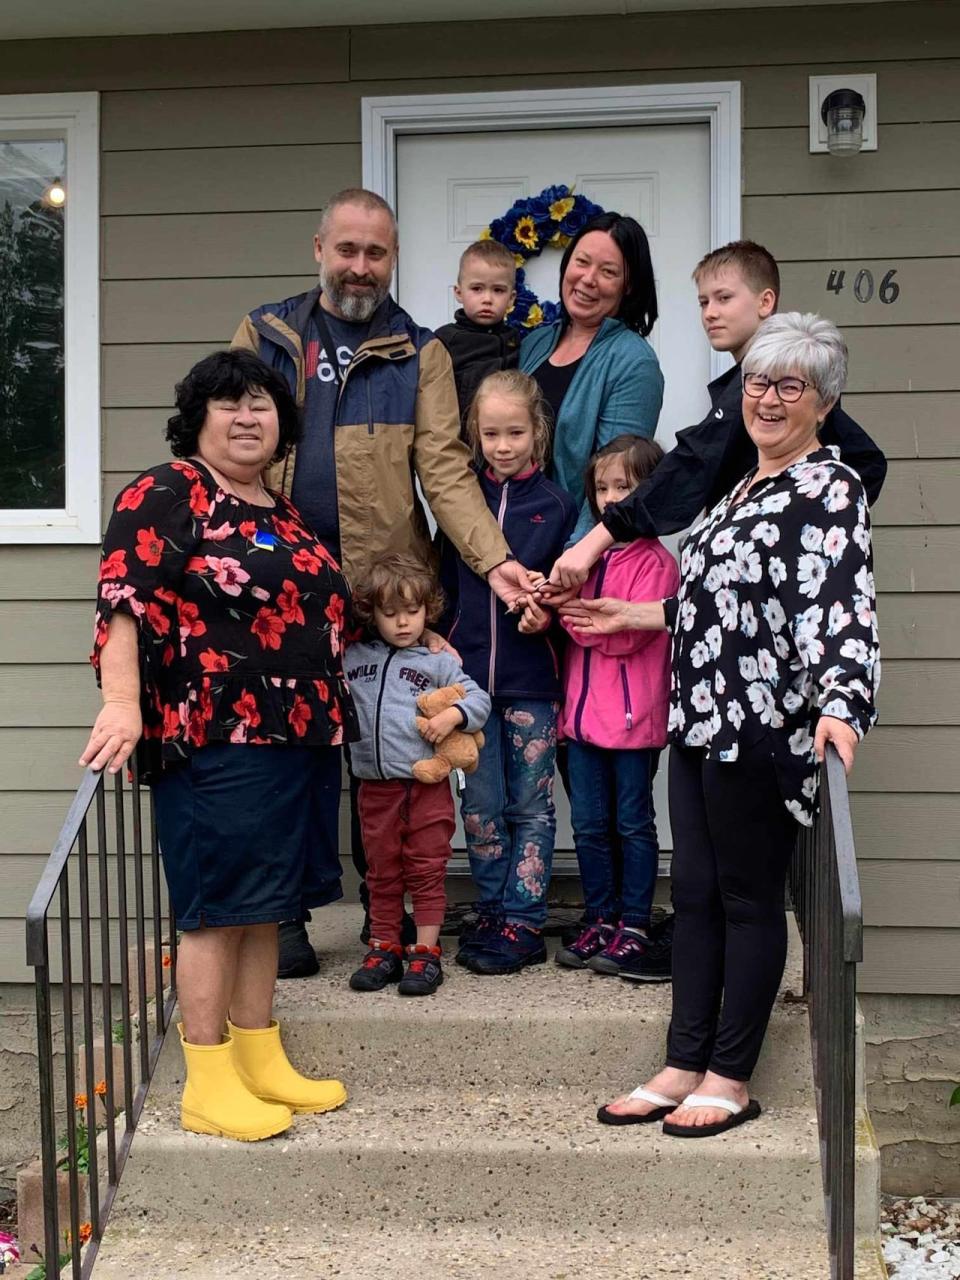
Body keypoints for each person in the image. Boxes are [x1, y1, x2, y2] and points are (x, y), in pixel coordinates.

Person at [563, 314, 880, 1137]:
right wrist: (630, 610)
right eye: (757, 383)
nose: (767, 399)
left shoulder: (829, 486)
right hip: (698, 720)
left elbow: (838, 603)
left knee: (746, 900)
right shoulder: (739, 484)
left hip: (764, 726)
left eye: (790, 385)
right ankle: (682, 1062)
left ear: (823, 401)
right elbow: (717, 602)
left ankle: (729, 1074)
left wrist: (843, 702)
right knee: (695, 897)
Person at [232, 188, 533, 976]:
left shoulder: (419, 350)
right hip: (283, 593)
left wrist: (496, 562)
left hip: (384, 597)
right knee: (289, 756)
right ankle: (283, 916)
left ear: (392, 259)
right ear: (319, 248)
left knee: (389, 755)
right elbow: (229, 450)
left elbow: (444, 467)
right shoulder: (267, 334)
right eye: (348, 250)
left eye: (376, 253)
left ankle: (387, 921)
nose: (360, 267)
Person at [80, 350, 356, 1143]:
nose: (248, 416)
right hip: (213, 735)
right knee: (215, 910)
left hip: (294, 736)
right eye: (229, 403)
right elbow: (125, 601)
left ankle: (259, 1057)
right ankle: (206, 1078)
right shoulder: (169, 490)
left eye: (264, 404)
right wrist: (124, 703)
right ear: (198, 416)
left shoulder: (278, 508)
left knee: (263, 907)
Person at [548, 240, 887, 591]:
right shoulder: (746, 385)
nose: (709, 313)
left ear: (765, 302)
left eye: (724, 298)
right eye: (703, 302)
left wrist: (598, 536)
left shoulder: (784, 379)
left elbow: (694, 461)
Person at [437, 371, 578, 975]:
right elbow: (444, 589)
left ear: (537, 431)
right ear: (474, 434)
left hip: (532, 685)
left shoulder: (556, 505)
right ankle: (491, 908)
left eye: (515, 432)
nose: (502, 445)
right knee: (480, 803)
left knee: (532, 806)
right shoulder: (457, 504)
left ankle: (523, 918)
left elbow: (566, 595)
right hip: (470, 688)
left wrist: (542, 615)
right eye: (490, 433)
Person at [553, 436, 679, 979]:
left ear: (649, 493)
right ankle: (599, 918)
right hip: (581, 722)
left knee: (631, 823)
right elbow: (571, 619)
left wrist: (580, 617)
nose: (610, 499)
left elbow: (628, 637)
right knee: (587, 824)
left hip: (632, 724)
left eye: (623, 488)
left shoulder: (655, 563)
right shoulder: (588, 553)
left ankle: (633, 924)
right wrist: (564, 605)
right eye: (602, 488)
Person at [345, 552, 491, 997]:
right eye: (390, 614)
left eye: (412, 612)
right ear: (372, 614)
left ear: (428, 611)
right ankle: (384, 945)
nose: (403, 623)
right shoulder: (353, 659)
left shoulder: (438, 661)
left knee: (426, 868)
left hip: (426, 788)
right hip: (374, 786)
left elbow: (479, 699)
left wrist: (455, 716)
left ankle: (425, 952)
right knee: (382, 871)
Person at [519, 210, 663, 543]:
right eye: (582, 262)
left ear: (628, 287)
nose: (588, 278)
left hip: (568, 552)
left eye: (608, 271)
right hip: (515, 541)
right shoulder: (534, 344)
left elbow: (616, 480)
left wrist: (574, 557)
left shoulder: (633, 362)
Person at [435, 239, 521, 426]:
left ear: (511, 298)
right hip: (463, 437)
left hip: (506, 437)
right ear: (459, 292)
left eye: (498, 290)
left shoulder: (514, 339)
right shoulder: (445, 340)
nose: (487, 299)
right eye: (477, 289)